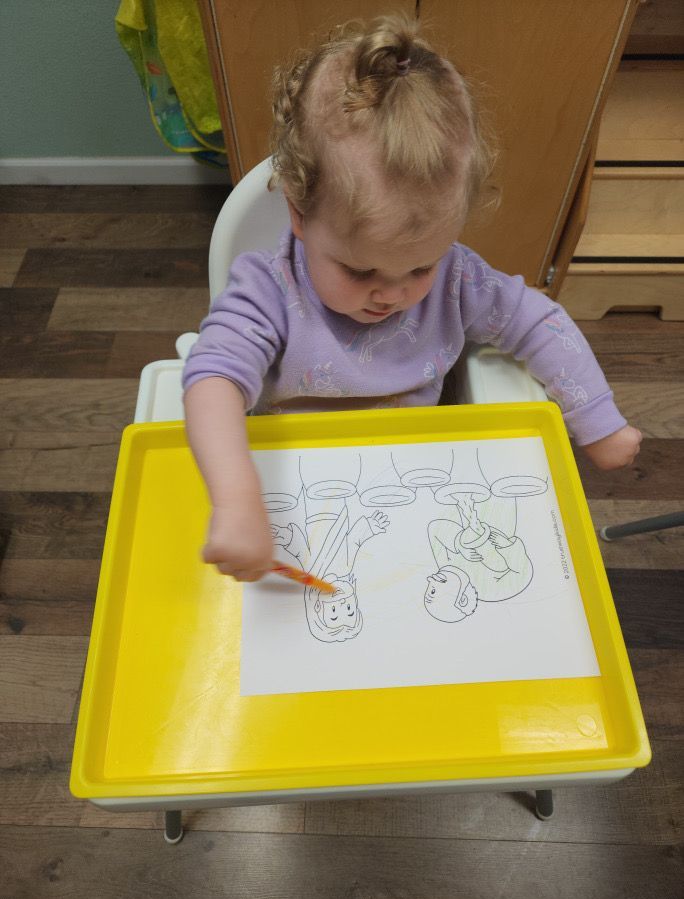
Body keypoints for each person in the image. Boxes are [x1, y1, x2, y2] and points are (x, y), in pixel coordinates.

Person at [182, 14, 642, 583]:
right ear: (299, 214)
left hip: (417, 484)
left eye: (420, 265)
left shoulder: (456, 279)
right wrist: (235, 498)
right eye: (360, 269)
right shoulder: (268, 290)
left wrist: (596, 420)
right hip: (291, 490)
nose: (393, 294)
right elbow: (211, 380)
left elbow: (537, 320)